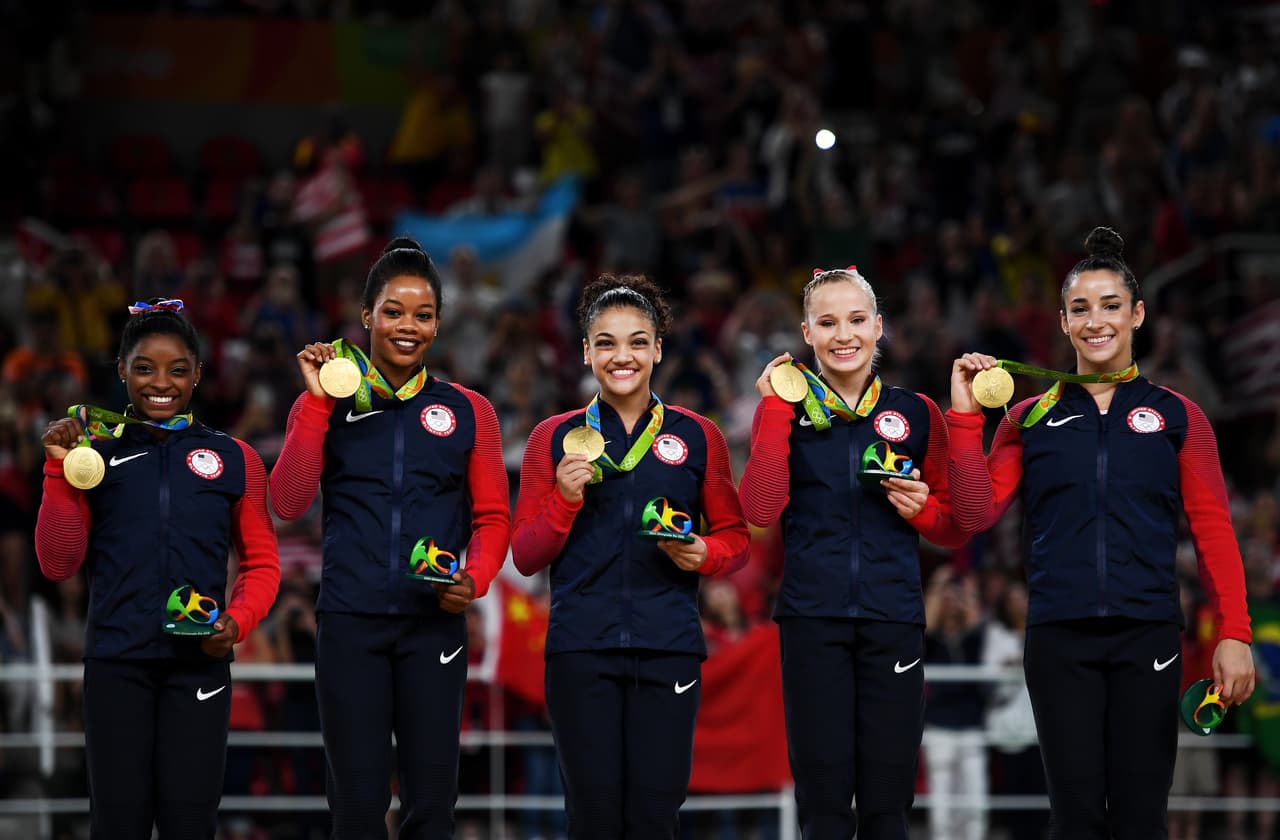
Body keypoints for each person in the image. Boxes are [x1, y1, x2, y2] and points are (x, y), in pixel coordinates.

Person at [947, 226, 1255, 839]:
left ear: (1137, 314)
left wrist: (1235, 632)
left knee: (1142, 816)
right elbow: (972, 516)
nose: (1097, 321)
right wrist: (962, 416)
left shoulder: (1177, 416)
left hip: (1148, 635)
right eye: (1080, 309)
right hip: (1059, 637)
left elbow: (1214, 530)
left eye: (1111, 306)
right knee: (1076, 817)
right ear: (1062, 322)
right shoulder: (1028, 417)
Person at [269, 237, 510, 839]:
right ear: (366, 316)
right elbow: (287, 500)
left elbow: (493, 521)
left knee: (431, 806)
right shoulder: (329, 401)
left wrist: (473, 580)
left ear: (438, 323)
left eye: (423, 314)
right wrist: (318, 402)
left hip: (434, 623)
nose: (409, 326)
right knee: (356, 804)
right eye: (394, 311)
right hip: (351, 622)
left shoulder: (469, 409)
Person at [511, 273, 749, 839]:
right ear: (588, 350)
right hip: (580, 649)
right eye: (609, 342)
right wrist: (565, 502)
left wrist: (703, 553)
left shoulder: (698, 436)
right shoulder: (552, 436)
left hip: (668, 647)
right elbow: (524, 555)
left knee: (654, 817)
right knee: (592, 818)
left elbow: (736, 539)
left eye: (639, 341)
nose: (624, 356)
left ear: (658, 349)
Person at [34, 298, 281, 840]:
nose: (160, 383)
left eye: (177, 369)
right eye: (144, 368)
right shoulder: (91, 455)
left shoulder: (235, 458)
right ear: (122, 371)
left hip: (199, 667)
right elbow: (58, 563)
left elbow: (262, 564)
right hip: (116, 665)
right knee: (118, 826)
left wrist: (235, 623)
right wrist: (57, 473)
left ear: (198, 373)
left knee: (190, 827)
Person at [737, 266, 967, 840]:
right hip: (812, 621)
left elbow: (955, 525)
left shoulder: (916, 413)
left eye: (858, 320)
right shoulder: (785, 414)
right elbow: (760, 510)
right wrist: (770, 410)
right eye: (828, 322)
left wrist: (921, 511)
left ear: (880, 327)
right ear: (806, 333)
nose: (845, 335)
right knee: (824, 808)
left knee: (889, 808)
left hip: (893, 619)